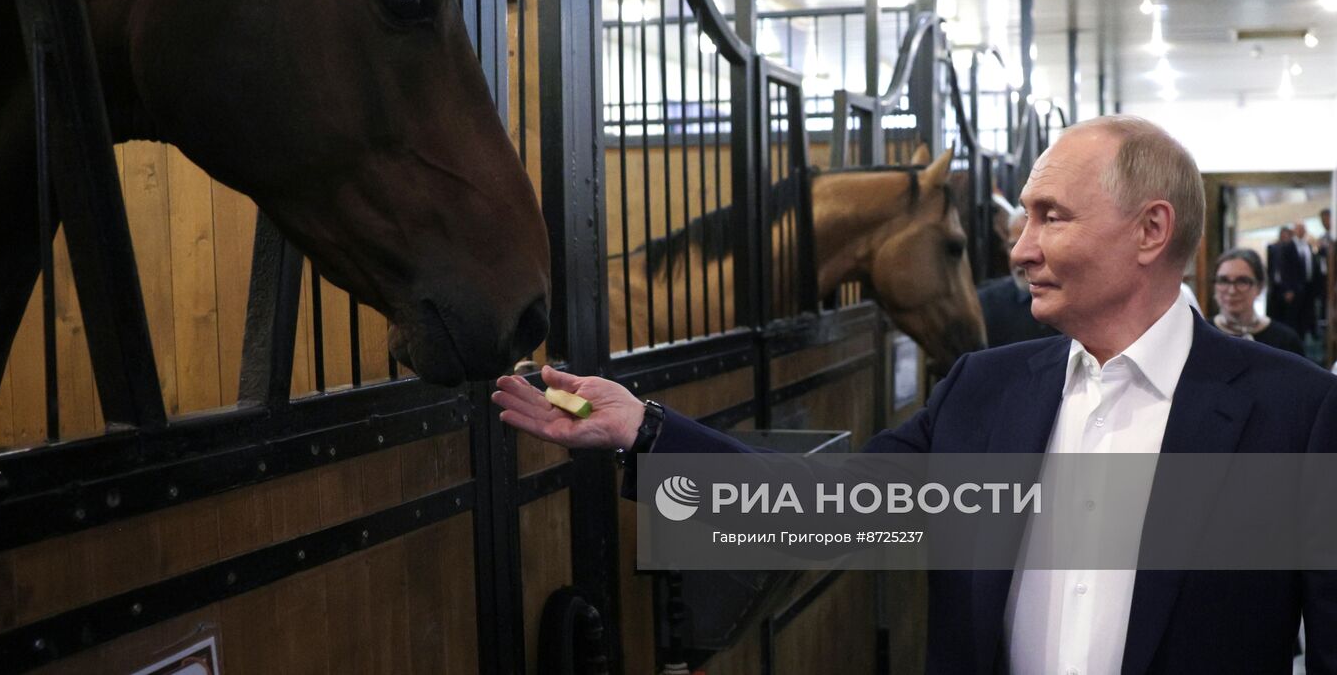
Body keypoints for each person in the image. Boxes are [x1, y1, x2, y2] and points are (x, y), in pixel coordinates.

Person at [493, 115, 1337, 674]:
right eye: (1023, 222)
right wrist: (645, 432)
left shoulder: (1293, 414)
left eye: (1051, 216)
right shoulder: (986, 392)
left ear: (1151, 231)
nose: (1019, 250)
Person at [977, 210, 1060, 346]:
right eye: (1012, 246)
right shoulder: (986, 304)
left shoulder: (1075, 303)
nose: (1019, 257)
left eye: (1035, 246)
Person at [1210, 247, 1304, 355]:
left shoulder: (1286, 341)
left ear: (1260, 286)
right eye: (1223, 281)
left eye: (1242, 281)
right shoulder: (1198, 335)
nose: (1232, 291)